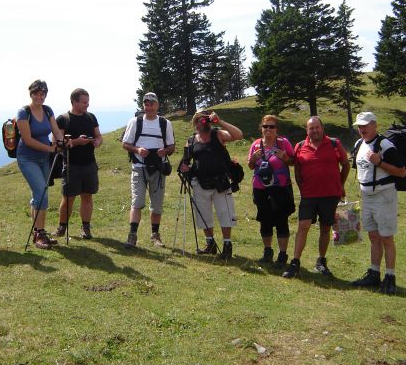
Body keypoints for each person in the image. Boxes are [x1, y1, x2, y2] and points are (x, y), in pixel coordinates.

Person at [284, 116, 350, 278]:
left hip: (330, 195)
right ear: (307, 130)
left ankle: (321, 261)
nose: (314, 130)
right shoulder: (300, 146)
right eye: (311, 128)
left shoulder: (334, 144)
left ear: (322, 128)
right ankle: (295, 262)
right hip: (309, 196)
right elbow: (297, 170)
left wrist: (340, 185)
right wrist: (302, 188)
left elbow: (346, 164)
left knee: (325, 228)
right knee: (303, 226)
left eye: (317, 127)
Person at [350, 111, 406, 294]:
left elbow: (401, 172)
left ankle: (390, 277)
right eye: (359, 126)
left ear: (375, 125)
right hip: (367, 197)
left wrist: (380, 162)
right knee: (373, 236)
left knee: (387, 238)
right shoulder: (359, 144)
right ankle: (374, 273)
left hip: (384, 197)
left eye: (365, 125)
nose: (362, 129)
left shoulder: (385, 145)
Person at [179, 110, 243, 260]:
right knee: (203, 214)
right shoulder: (191, 140)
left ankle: (227, 246)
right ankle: (211, 244)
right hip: (200, 183)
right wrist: (184, 167)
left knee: (225, 213)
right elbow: (185, 161)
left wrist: (219, 121)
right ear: (195, 123)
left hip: (221, 182)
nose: (204, 122)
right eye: (200, 119)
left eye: (206, 119)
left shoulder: (218, 134)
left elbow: (238, 135)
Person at [121, 92, 175, 248]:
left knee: (157, 205)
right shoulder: (135, 122)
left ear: (157, 105)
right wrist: (137, 150)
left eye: (152, 103)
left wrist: (164, 152)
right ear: (143, 105)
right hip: (139, 167)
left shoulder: (165, 124)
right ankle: (132, 236)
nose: (149, 107)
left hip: (158, 169)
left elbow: (171, 146)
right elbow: (125, 144)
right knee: (137, 202)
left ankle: (155, 235)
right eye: (146, 104)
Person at [16, 80, 64, 249]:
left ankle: (38, 232)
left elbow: (56, 130)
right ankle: (40, 234)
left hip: (44, 158)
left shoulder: (47, 110)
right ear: (31, 94)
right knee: (41, 194)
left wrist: (60, 142)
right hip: (27, 158)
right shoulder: (23, 112)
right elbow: (28, 140)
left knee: (39, 194)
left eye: (42, 93)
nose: (39, 96)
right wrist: (51, 149)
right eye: (36, 93)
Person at [247, 115, 295, 268]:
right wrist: (253, 159)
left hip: (280, 188)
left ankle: (282, 255)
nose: (268, 129)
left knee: (282, 220)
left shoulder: (283, 143)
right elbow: (250, 166)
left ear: (277, 129)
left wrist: (285, 157)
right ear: (261, 128)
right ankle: (267, 252)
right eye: (265, 126)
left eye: (271, 126)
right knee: (265, 220)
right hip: (261, 189)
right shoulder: (255, 145)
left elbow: (293, 162)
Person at [54, 88, 102, 239]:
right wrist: (76, 142)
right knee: (68, 197)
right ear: (74, 102)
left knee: (87, 196)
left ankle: (86, 228)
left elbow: (99, 136)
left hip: (89, 163)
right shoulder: (63, 119)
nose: (87, 105)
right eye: (84, 102)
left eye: (87, 102)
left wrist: (97, 142)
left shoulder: (91, 117)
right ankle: (62, 227)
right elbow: (57, 143)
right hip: (71, 165)